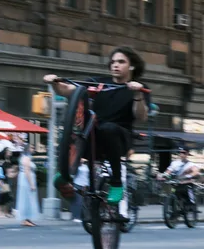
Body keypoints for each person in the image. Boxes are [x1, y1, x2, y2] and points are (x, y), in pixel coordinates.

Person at [45, 46, 149, 202]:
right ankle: (65, 174)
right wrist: (54, 83)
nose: (115, 65)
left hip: (120, 139)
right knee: (73, 129)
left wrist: (137, 93)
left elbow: (141, 116)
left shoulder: (138, 88)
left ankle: (116, 183)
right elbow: (68, 89)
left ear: (131, 66)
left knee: (109, 128)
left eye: (121, 62)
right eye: (113, 62)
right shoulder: (97, 82)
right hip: (93, 136)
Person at [15, 146, 40, 226]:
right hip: (27, 180)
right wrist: (31, 184)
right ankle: (25, 218)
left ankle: (27, 218)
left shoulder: (25, 157)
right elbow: (27, 171)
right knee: (27, 198)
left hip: (25, 179)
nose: (33, 149)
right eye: (32, 148)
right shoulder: (26, 158)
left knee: (27, 198)